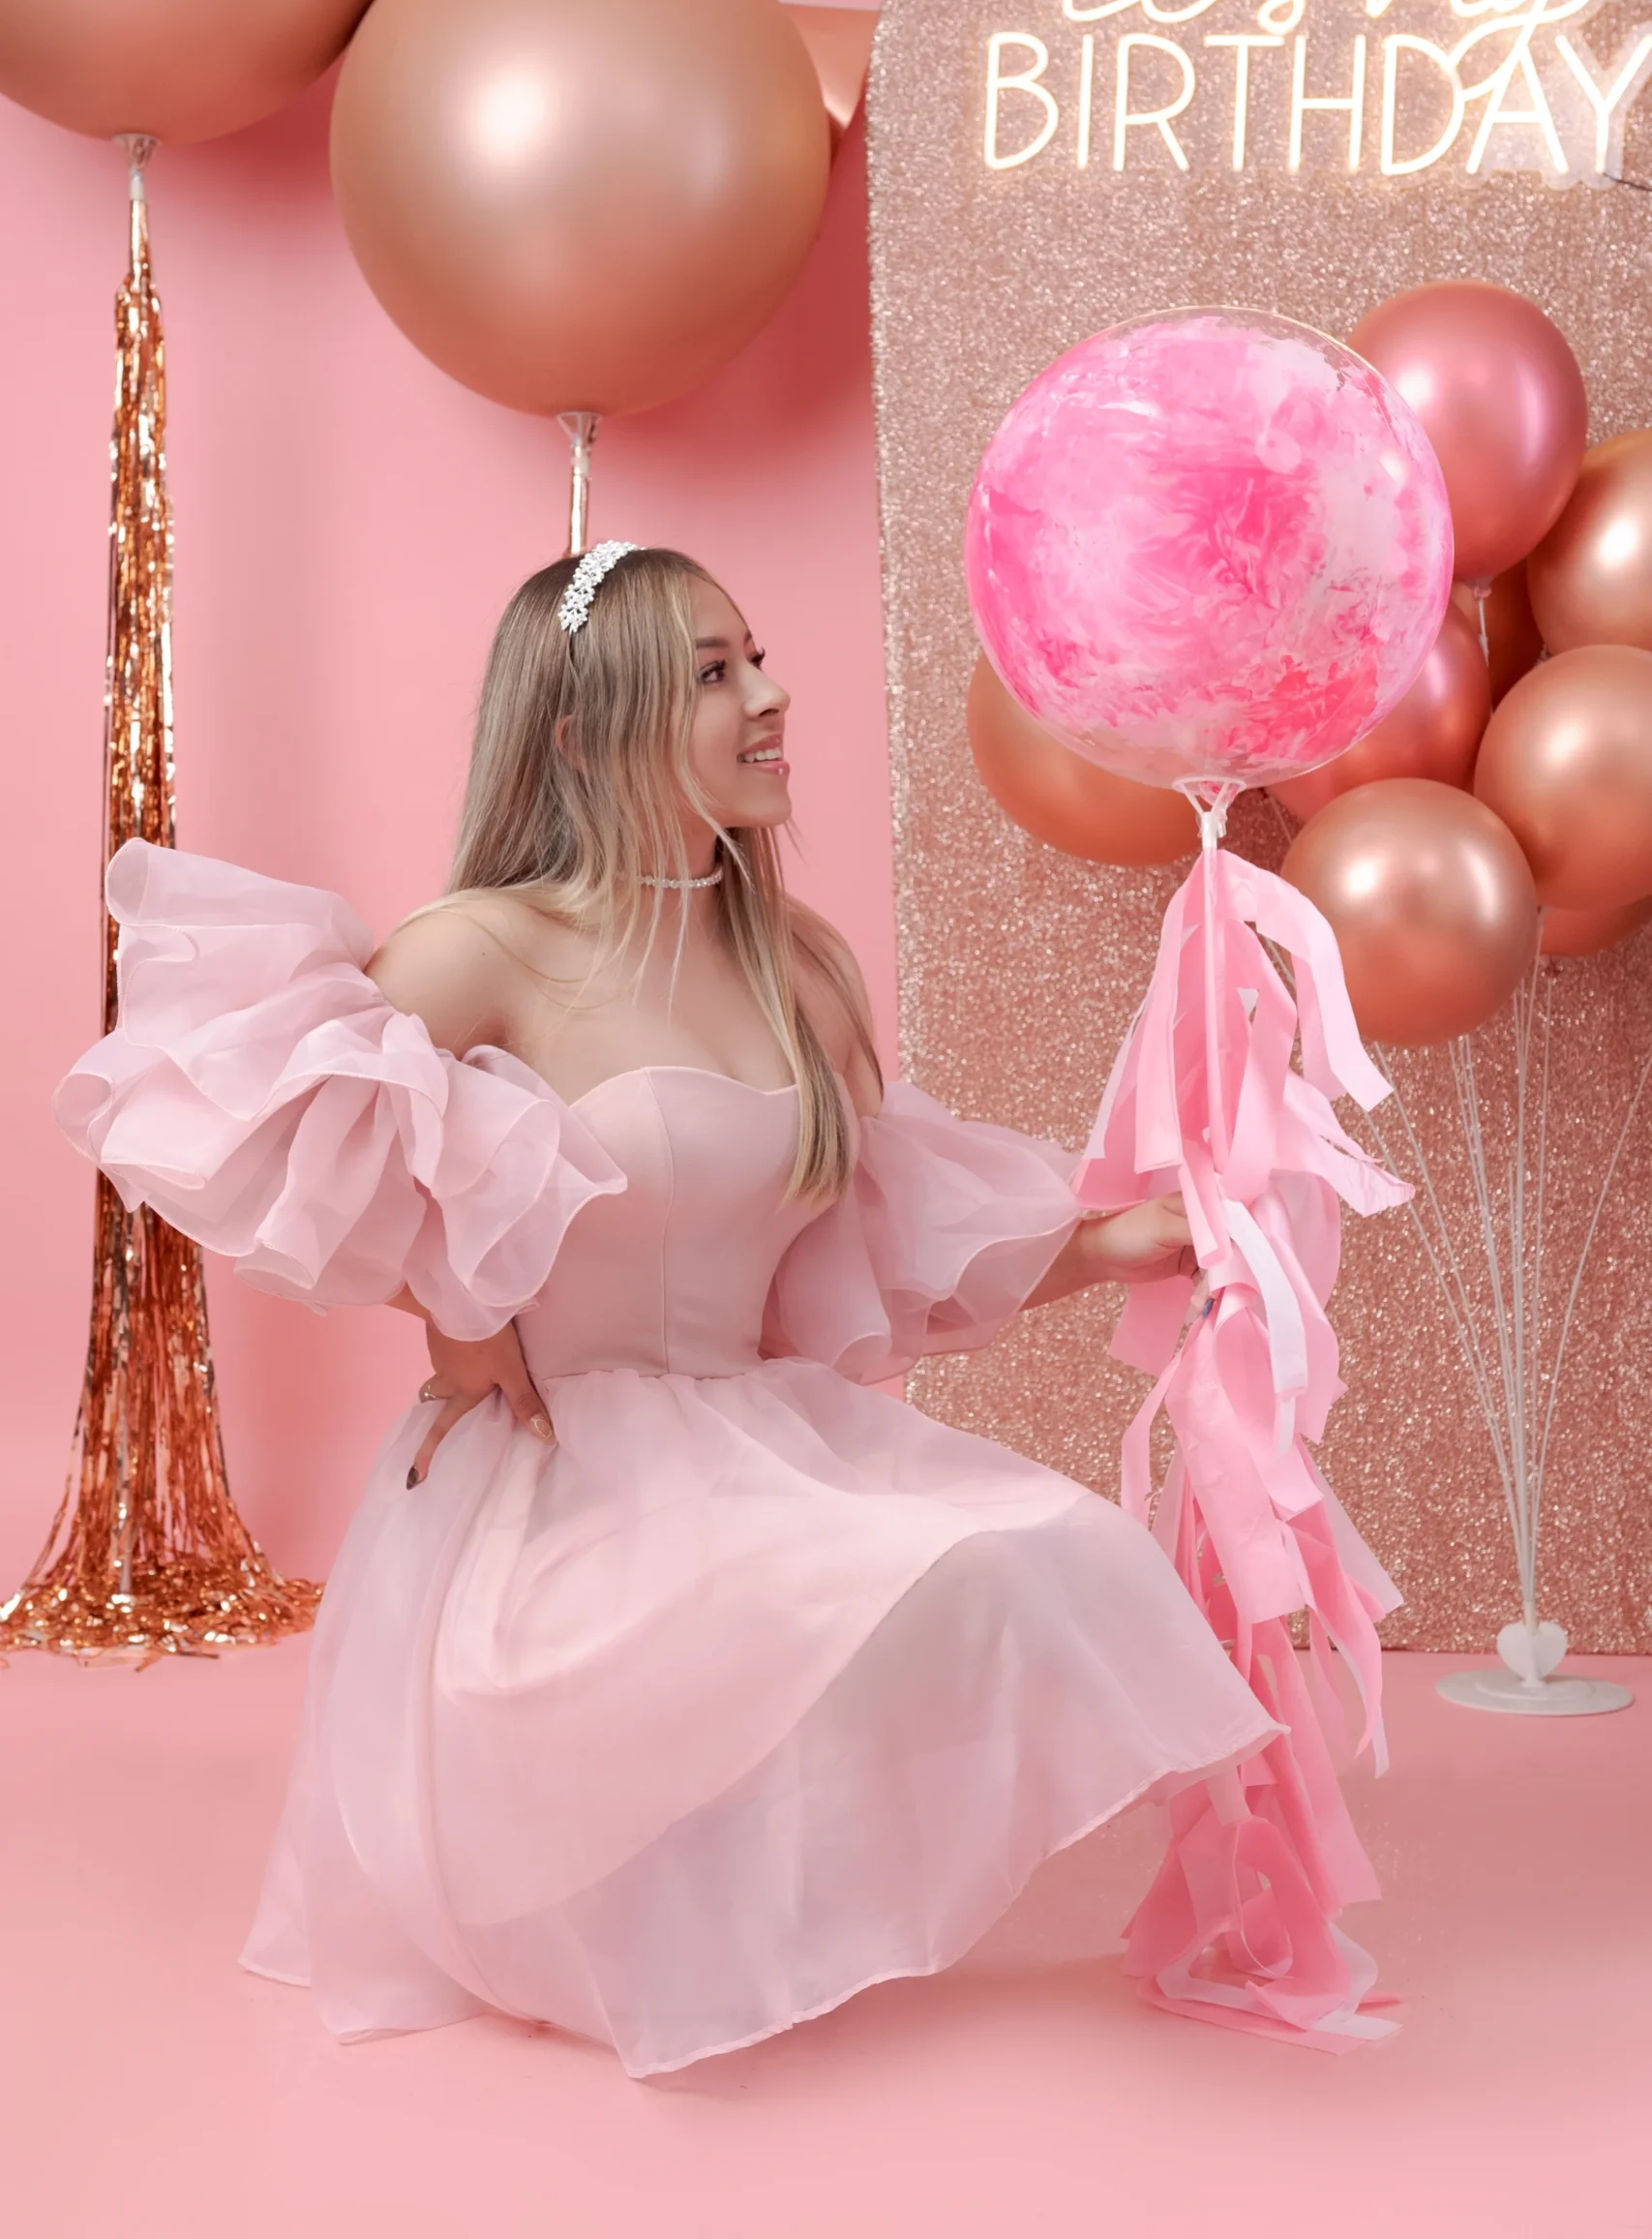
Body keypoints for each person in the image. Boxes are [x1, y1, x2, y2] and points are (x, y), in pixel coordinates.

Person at [57, 541, 1275, 2079]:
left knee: (1040, 1546)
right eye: (712, 673)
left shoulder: (796, 968)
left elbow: (884, 1233)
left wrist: (1121, 1242)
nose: (768, 696)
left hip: (748, 1435)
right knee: (776, 1592)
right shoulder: (484, 950)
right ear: (582, 735)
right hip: (556, 1471)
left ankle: (775, 1888)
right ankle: (628, 1899)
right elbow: (303, 1137)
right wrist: (456, 1307)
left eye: (755, 656)